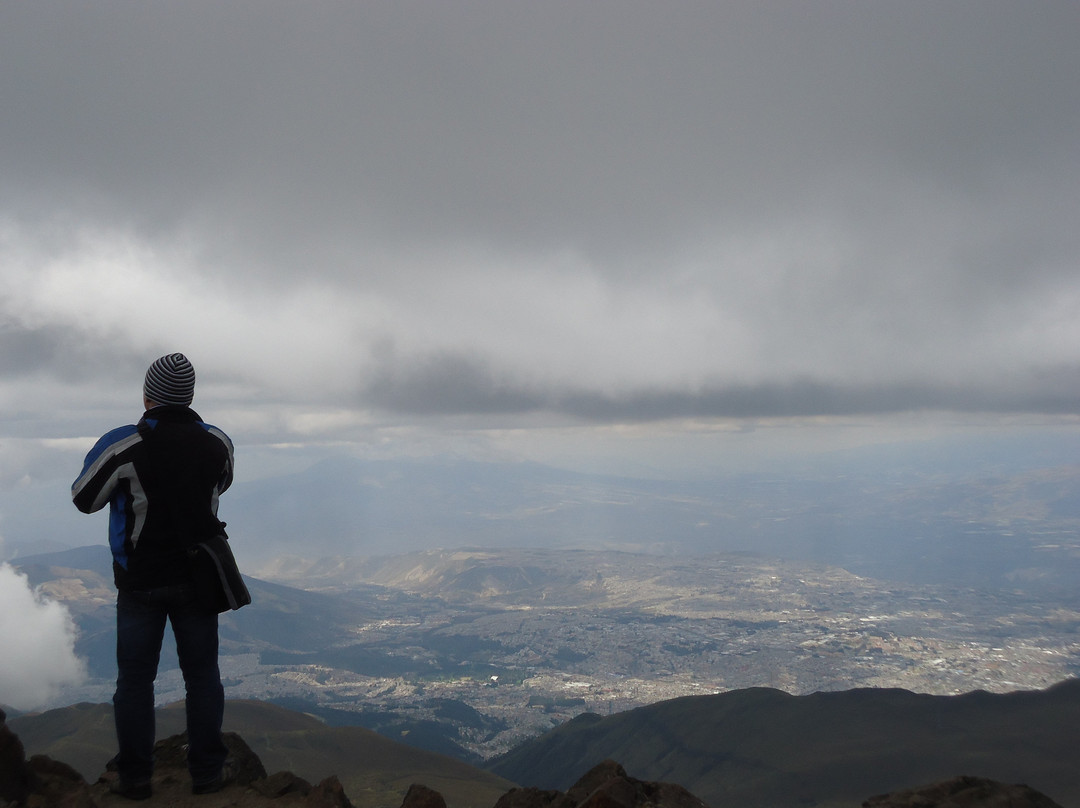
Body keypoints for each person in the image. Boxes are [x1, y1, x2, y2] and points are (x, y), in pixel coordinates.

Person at [72, 353, 236, 799]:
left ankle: (136, 779)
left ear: (148, 395)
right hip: (198, 578)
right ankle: (207, 775)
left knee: (135, 680)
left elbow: (84, 498)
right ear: (189, 396)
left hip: (139, 580)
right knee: (202, 676)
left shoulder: (124, 445)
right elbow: (221, 484)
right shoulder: (217, 442)